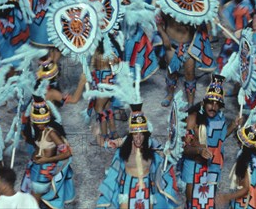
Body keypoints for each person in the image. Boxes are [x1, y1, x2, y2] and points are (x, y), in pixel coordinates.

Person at [96, 103, 179, 208]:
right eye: (135, 134)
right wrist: (97, 134)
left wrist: (169, 150)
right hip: (127, 186)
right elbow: (105, 144)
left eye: (142, 134)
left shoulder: (151, 144)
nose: (138, 138)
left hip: (147, 186)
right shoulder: (124, 143)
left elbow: (166, 151)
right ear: (131, 135)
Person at [181, 75, 242, 208]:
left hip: (213, 163)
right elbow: (184, 148)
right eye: (210, 102)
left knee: (208, 199)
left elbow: (219, 139)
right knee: (192, 201)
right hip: (193, 164)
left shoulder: (219, 117)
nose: (213, 106)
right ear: (204, 103)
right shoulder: (192, 119)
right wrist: (199, 150)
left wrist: (233, 125)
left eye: (217, 104)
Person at [21, 97, 75, 208]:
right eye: (37, 123)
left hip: (45, 170)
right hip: (35, 167)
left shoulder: (52, 133)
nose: (40, 125)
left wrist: (47, 160)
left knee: (35, 200)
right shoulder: (38, 130)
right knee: (37, 199)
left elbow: (67, 153)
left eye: (42, 122)